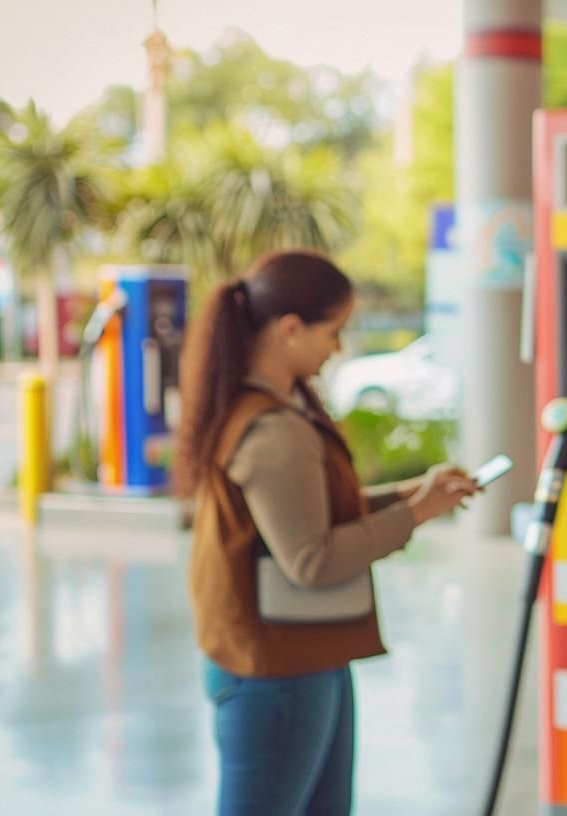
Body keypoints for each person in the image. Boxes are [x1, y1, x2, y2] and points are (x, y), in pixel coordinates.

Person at [174, 249, 479, 816]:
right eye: (333, 331)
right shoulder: (273, 430)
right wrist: (414, 513)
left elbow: (308, 512)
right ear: (290, 329)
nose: (338, 348)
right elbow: (311, 559)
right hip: (278, 673)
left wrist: (416, 493)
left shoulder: (264, 409)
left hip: (296, 660)